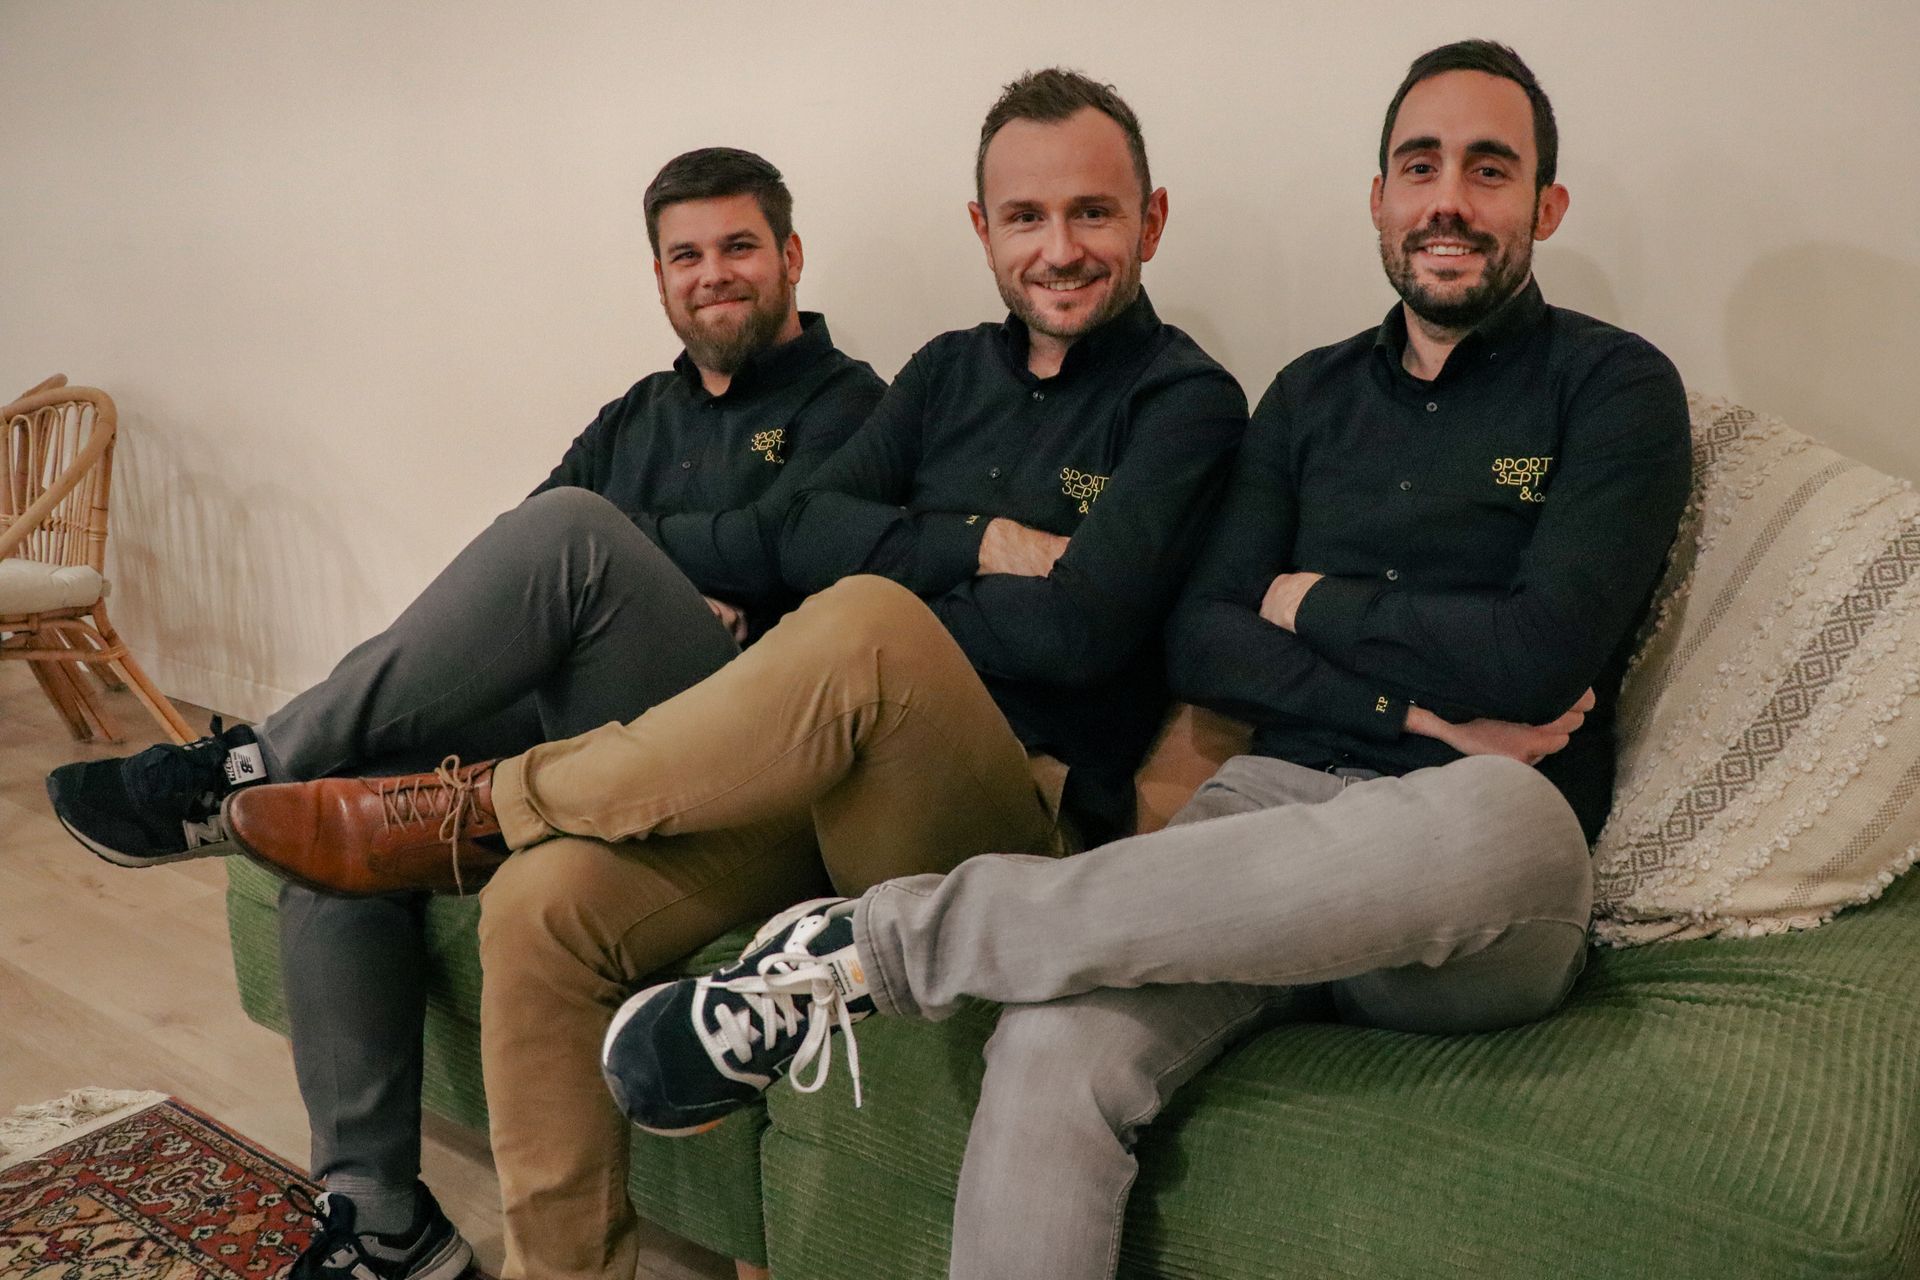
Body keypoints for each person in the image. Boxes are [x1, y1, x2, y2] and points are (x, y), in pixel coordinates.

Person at [594, 41, 1693, 1280]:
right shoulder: (1306, 396)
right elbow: (1204, 637)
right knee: (1047, 1044)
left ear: (1546, 203)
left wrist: (1307, 599)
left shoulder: (1616, 386)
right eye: (1420, 167)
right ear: (1379, 198)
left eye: (1489, 170)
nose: (1449, 200)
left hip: (1481, 854)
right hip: (1262, 816)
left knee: (1500, 813)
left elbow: (1537, 657)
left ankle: (880, 947)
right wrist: (1411, 702)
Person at [215, 67, 1245, 1277]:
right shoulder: (943, 372)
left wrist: (896, 579)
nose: (1059, 248)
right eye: (1027, 216)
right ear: (983, 228)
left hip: (1005, 805)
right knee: (539, 909)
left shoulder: (1190, 402)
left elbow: (1079, 632)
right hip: (821, 777)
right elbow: (801, 529)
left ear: (1151, 220)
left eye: (1092, 213)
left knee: (865, 621)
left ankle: (485, 801)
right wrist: (974, 544)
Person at [45, 148, 883, 1280]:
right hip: (578, 721)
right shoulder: (639, 411)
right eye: (686, 255)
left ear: (790, 256)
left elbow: (795, 559)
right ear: (659, 277)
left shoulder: (855, 407)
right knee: (327, 813)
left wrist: (639, 554)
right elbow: (521, 559)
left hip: (724, 737)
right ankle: (382, 1217)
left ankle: (239, 759)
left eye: (739, 246)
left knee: (581, 532)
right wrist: (685, 569)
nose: (713, 273)